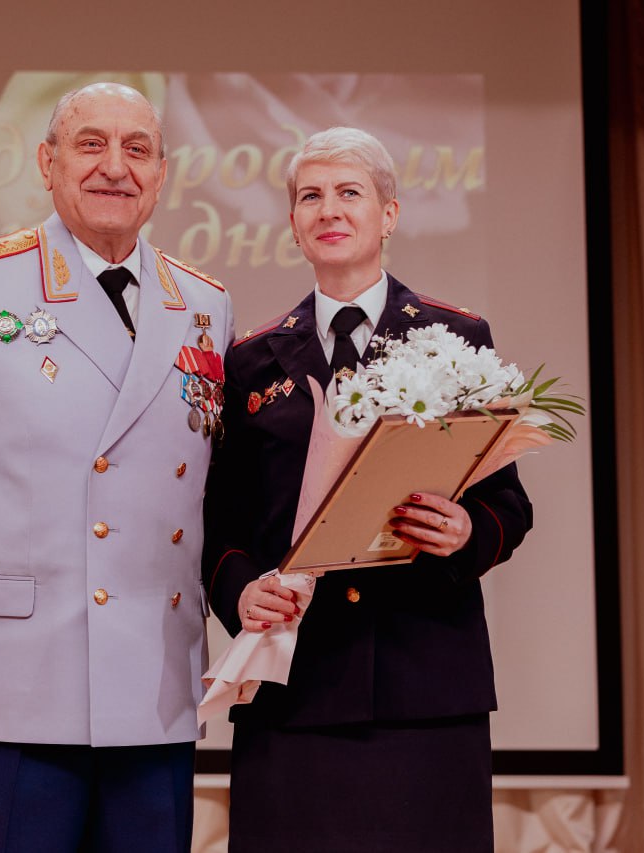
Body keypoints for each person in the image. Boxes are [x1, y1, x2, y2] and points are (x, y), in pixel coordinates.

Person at [0, 82, 234, 851]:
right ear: (47, 163)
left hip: (154, 685)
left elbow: (213, 491)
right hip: (14, 687)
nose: (115, 166)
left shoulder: (206, 304)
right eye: (90, 144)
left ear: (162, 174)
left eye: (137, 149)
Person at [202, 127, 532, 852]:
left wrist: (466, 532)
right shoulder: (251, 360)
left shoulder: (455, 335)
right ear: (293, 222)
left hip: (425, 691)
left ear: (389, 214)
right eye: (310, 196)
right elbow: (221, 525)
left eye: (349, 192)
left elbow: (507, 505)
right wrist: (239, 592)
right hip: (293, 689)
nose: (329, 209)